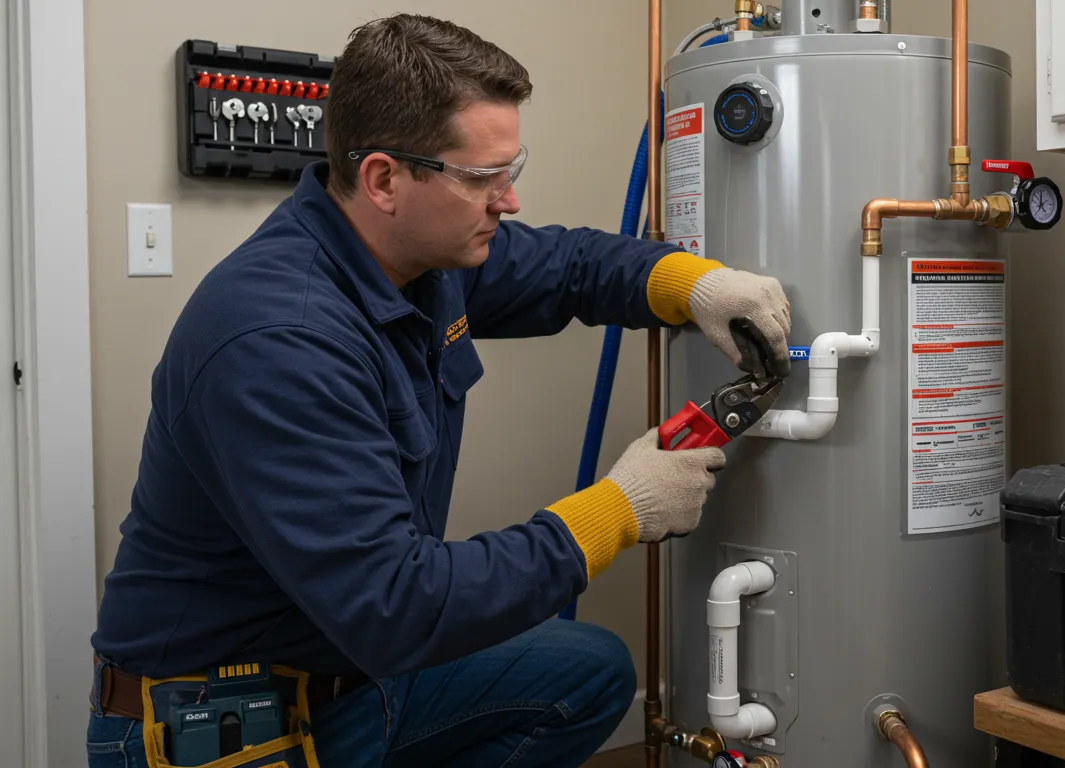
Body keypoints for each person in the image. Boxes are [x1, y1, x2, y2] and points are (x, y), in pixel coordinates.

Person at [86, 14, 790, 768]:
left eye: (511, 169)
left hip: (350, 672)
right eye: (484, 178)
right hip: (229, 722)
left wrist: (695, 284)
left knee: (584, 671)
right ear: (385, 179)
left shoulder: (420, 260)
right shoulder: (277, 340)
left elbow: (570, 266)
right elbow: (396, 605)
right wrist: (620, 508)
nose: (509, 200)